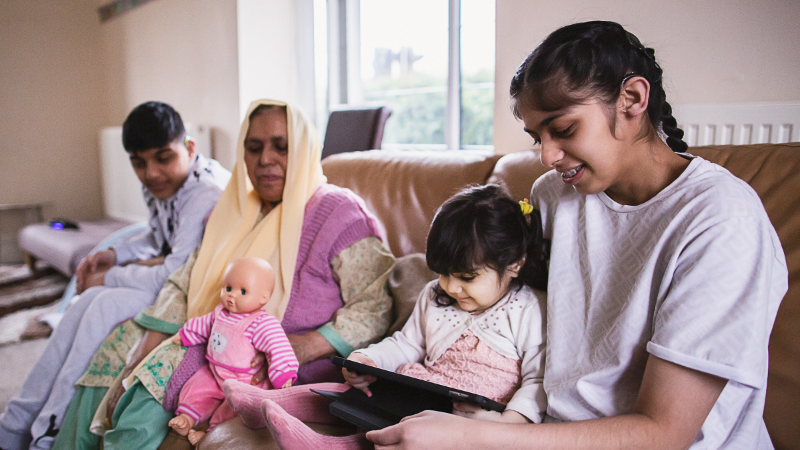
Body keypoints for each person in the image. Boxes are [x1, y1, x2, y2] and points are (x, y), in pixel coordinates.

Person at [364, 21, 788, 449]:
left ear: (633, 99)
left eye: (563, 130)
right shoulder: (552, 196)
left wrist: (474, 437)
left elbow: (664, 434)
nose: (547, 156)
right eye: (537, 137)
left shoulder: (720, 220)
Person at [50, 99, 396, 450]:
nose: (265, 160)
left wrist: (307, 345)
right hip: (205, 338)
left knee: (136, 420)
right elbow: (185, 278)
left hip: (263, 368)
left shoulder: (339, 212)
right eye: (254, 147)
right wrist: (147, 345)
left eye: (282, 146)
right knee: (113, 357)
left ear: (305, 148)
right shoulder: (232, 209)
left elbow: (375, 303)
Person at [222, 184, 549, 449]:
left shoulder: (530, 309)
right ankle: (266, 401)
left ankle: (325, 445)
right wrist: (369, 359)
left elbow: (537, 380)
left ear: (515, 264)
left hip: (468, 420)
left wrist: (510, 424)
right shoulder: (436, 296)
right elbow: (406, 344)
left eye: (466, 278)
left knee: (392, 433)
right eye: (443, 274)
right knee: (353, 394)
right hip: (422, 391)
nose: (450, 286)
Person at [0, 101, 230, 450]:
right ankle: (15, 423)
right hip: (170, 284)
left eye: (163, 158)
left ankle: (47, 430)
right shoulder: (163, 184)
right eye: (139, 163)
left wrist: (109, 277)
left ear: (190, 148)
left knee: (101, 304)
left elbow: (173, 273)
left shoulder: (203, 194)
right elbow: (157, 236)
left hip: (190, 294)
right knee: (86, 301)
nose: (151, 173)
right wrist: (114, 254)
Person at [169, 257, 299, 445]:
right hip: (214, 373)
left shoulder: (261, 323)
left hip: (244, 381)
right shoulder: (219, 313)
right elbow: (203, 326)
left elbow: (278, 346)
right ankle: (187, 417)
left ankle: (211, 433)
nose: (231, 295)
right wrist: (186, 334)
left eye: (243, 291)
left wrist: (284, 373)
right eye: (228, 288)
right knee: (196, 387)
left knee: (236, 409)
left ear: (263, 297)